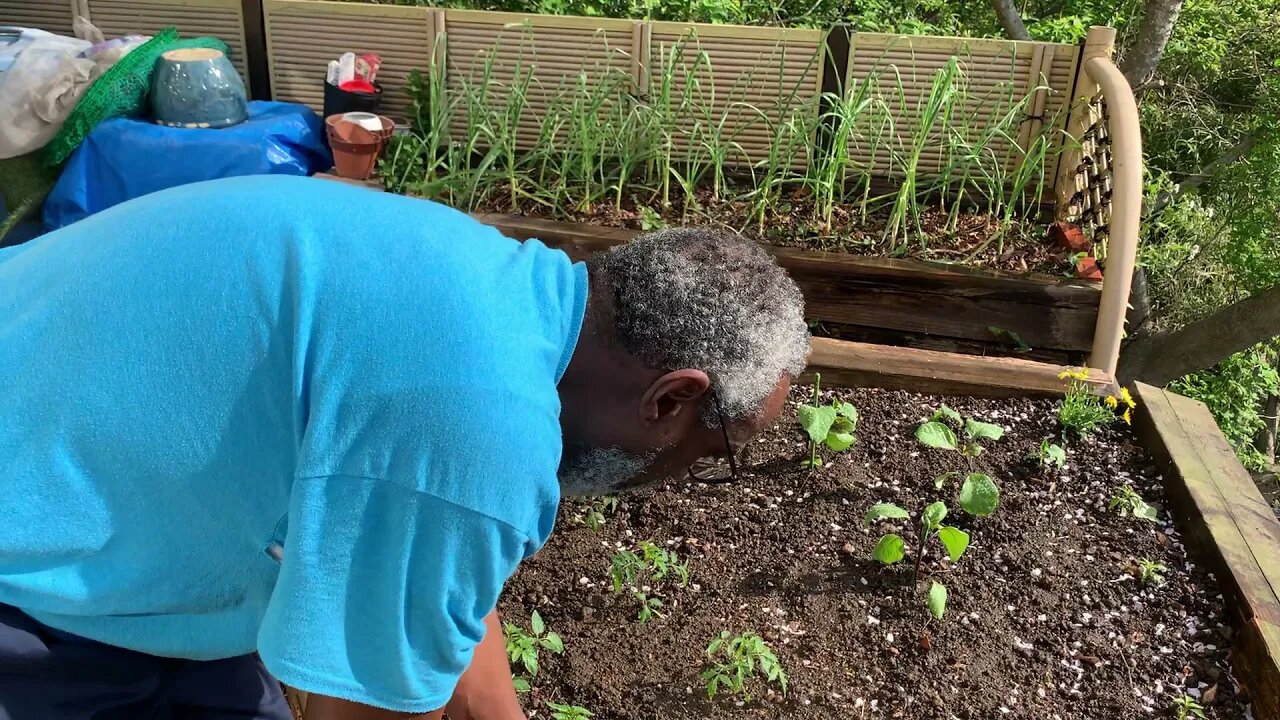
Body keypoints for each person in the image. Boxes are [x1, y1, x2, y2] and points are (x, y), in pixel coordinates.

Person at [0, 175, 809, 720]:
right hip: (38, 570)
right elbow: (362, 703)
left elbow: (440, 588)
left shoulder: (491, 292)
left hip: (111, 505)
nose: (683, 476)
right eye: (712, 452)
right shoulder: (480, 424)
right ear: (672, 397)